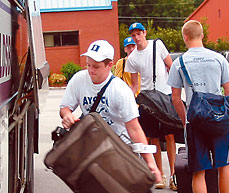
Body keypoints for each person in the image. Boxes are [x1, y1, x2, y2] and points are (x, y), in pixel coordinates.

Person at [59, 39, 162, 183]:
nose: (90, 70)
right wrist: (67, 115)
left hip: (119, 148)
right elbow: (65, 108)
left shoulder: (120, 90)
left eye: (96, 66)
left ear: (109, 65)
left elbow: (134, 129)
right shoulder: (79, 80)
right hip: (91, 147)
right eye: (88, 65)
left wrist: (150, 163)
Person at [167, 20, 229, 193]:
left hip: (195, 122)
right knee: (223, 166)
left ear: (185, 37)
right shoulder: (219, 59)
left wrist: (185, 120)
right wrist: (228, 116)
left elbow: (175, 98)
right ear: (202, 35)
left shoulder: (178, 63)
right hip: (219, 120)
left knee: (199, 171)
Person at [125, 22, 177, 190]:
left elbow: (171, 66)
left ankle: (174, 175)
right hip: (148, 99)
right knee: (153, 137)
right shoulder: (132, 58)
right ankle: (159, 174)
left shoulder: (157, 45)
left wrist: (176, 93)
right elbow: (134, 84)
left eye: (139, 33)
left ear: (144, 33)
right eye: (133, 35)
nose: (136, 37)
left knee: (169, 135)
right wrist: (128, 98)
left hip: (165, 95)